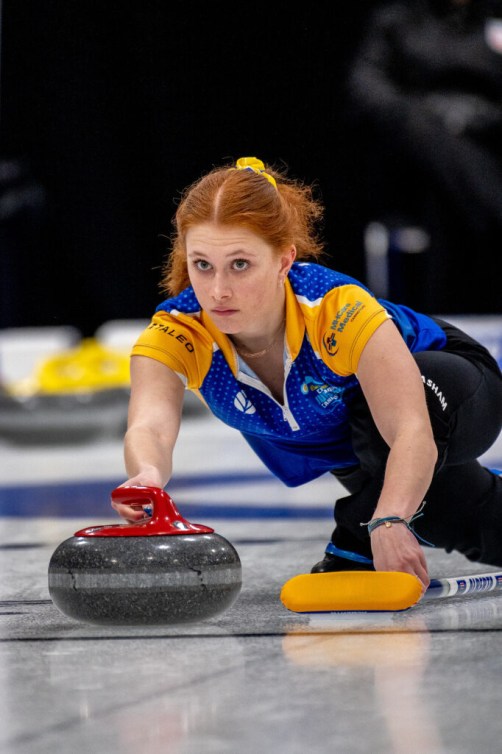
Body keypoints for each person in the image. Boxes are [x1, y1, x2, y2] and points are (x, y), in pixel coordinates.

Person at [111, 156, 502, 596]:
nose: (218, 289)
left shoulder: (336, 309)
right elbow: (150, 427)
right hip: (364, 456)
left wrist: (387, 518)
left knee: (386, 473)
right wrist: (145, 476)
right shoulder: (177, 331)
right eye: (202, 264)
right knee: (468, 519)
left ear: (284, 260)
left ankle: (353, 542)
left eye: (240, 264)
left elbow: (411, 430)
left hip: (454, 384)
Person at [342, 0, 502, 314]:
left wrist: (479, 118)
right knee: (426, 140)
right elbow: (364, 88)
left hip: (486, 144)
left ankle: (444, 323)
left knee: (444, 189)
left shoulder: (495, 18)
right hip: (410, 161)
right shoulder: (397, 19)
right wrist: (429, 115)